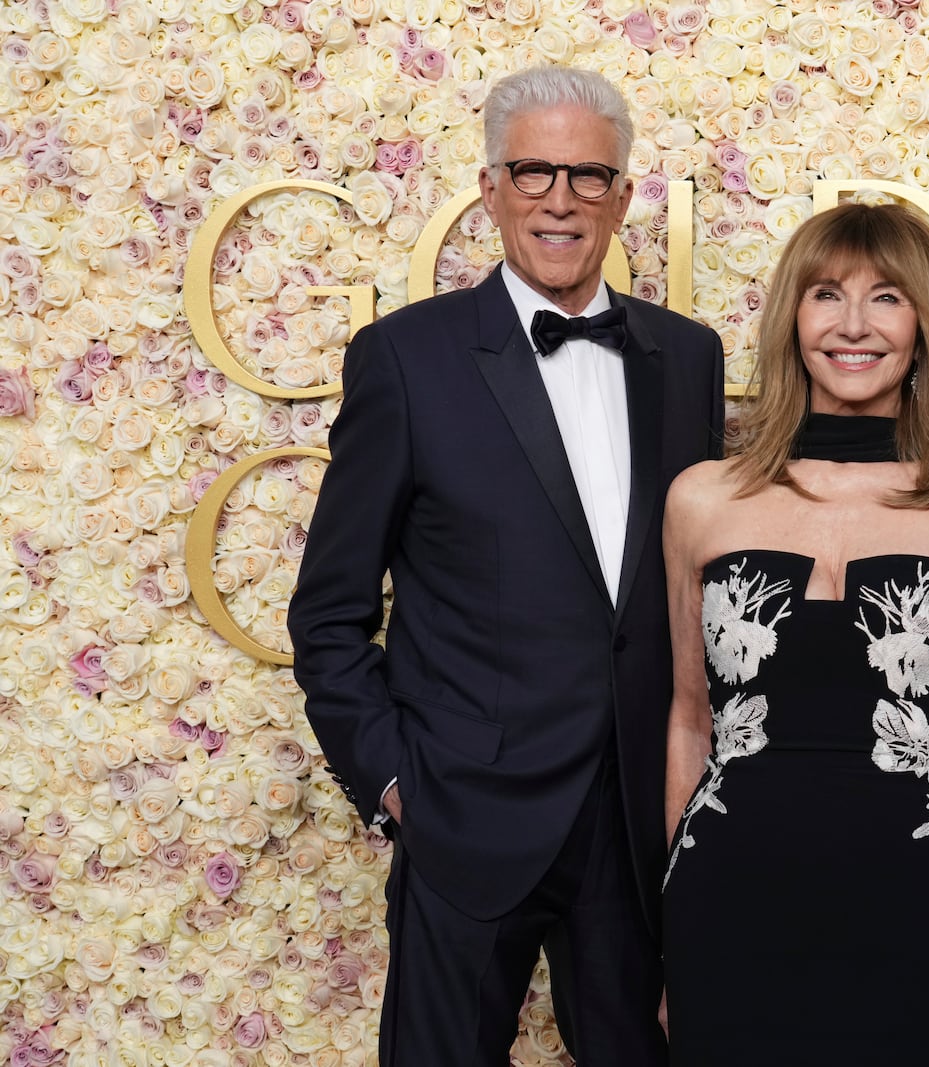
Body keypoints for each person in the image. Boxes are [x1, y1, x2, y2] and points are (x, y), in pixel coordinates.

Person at [287, 66, 723, 1066]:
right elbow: (328, 611)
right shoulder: (405, 358)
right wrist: (399, 784)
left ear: (622, 195)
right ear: (489, 188)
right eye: (533, 171)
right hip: (464, 817)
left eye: (586, 175)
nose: (559, 199)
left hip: (636, 824)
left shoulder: (686, 358)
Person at [659, 201, 929, 1065]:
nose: (853, 325)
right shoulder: (701, 498)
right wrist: (671, 938)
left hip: (921, 903)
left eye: (887, 297)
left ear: (925, 324)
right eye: (826, 294)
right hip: (731, 902)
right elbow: (690, 722)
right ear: (793, 318)